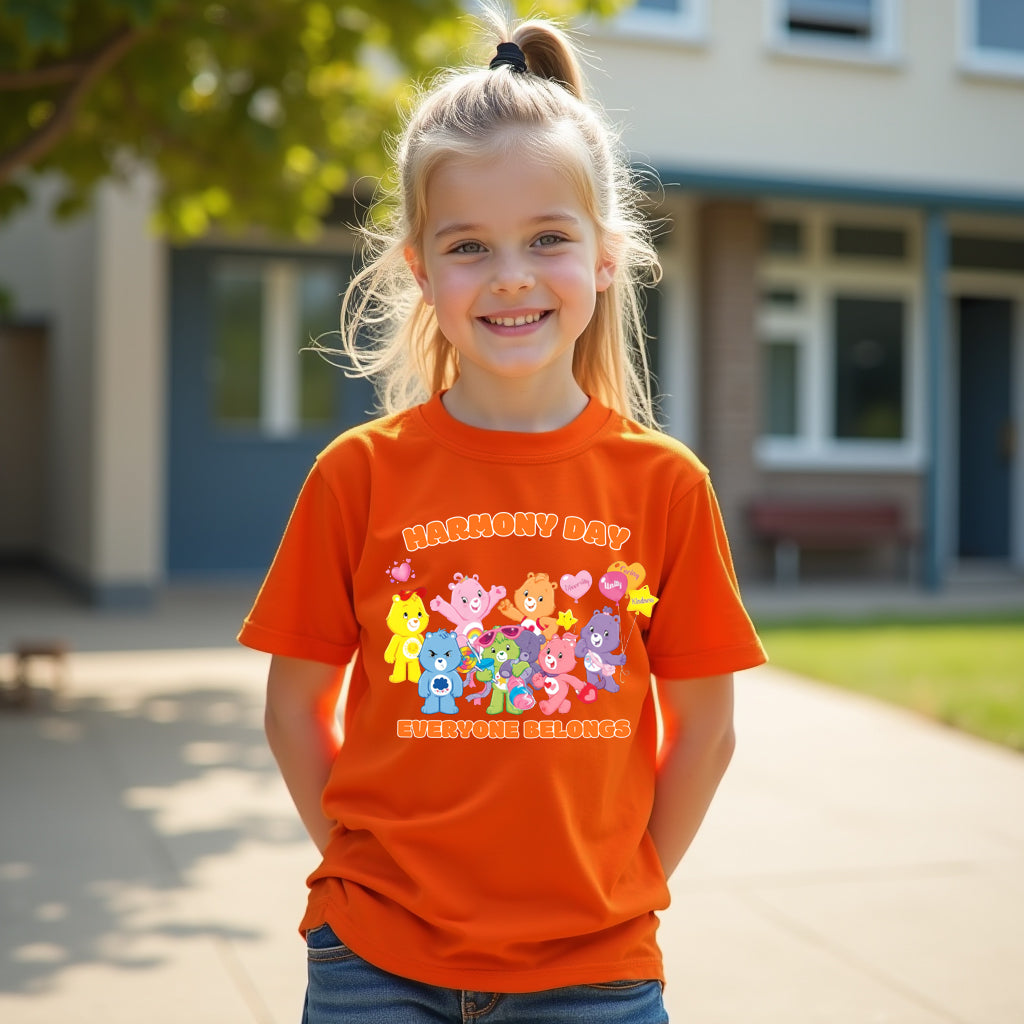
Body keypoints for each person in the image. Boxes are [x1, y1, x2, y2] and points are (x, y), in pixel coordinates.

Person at [239, 10, 766, 1023]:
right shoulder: (356, 475)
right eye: (469, 245)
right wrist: (362, 871)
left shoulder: (666, 485)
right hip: (375, 962)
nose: (512, 274)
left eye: (547, 239)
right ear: (420, 271)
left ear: (606, 258)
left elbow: (706, 730)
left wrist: (620, 879)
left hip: (597, 971)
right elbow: (292, 709)